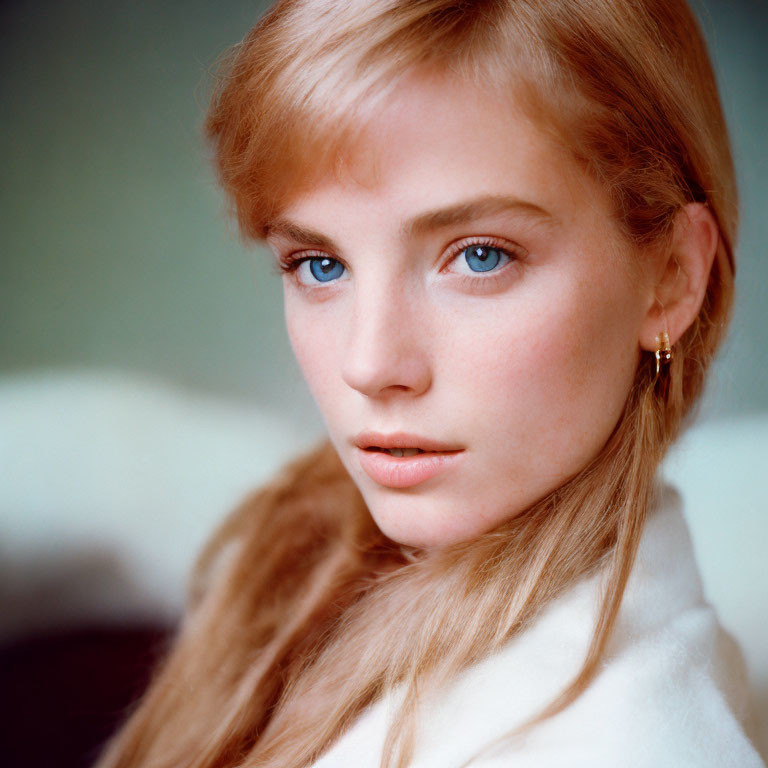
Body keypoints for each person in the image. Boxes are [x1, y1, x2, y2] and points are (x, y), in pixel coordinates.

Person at [96, 1, 765, 766]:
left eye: (480, 256)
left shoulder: (633, 744)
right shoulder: (298, 553)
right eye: (320, 265)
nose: (371, 363)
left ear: (671, 278)